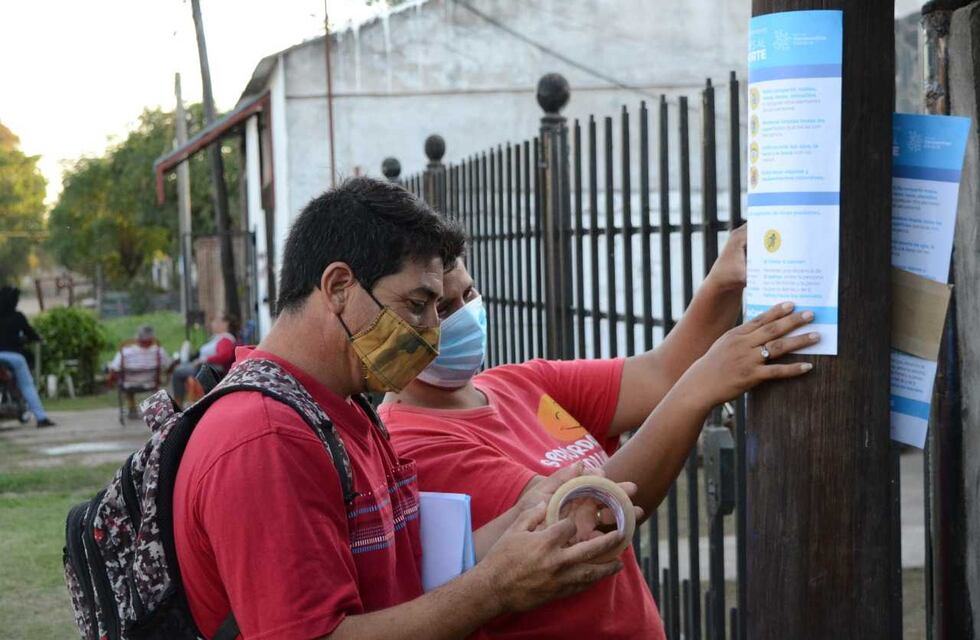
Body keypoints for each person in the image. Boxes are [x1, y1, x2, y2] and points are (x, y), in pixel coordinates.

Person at [173, 177, 634, 640]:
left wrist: (527, 513)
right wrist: (495, 589)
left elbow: (410, 572)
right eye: (418, 305)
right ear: (338, 287)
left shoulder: (344, 409)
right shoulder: (266, 437)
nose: (433, 331)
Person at [380, 225, 819, 639]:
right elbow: (587, 521)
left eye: (468, 294)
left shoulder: (515, 382)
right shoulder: (412, 444)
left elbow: (660, 374)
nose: (462, 317)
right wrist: (699, 391)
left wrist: (722, 285)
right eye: (439, 307)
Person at [0, 286, 55, 427]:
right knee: (27, 385)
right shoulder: (18, 317)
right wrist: (36, 339)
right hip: (14, 357)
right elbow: (32, 335)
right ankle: (41, 418)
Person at [108, 325, 174, 420]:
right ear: (152, 337)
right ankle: (155, 411)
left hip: (128, 384)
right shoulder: (159, 350)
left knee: (126, 382)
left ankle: (132, 409)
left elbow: (114, 368)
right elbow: (168, 365)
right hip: (151, 383)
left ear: (137, 338)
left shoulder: (125, 351)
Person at [171, 313, 238, 405]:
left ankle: (178, 404)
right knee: (180, 368)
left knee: (177, 372)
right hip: (204, 368)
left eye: (216, 321)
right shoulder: (219, 338)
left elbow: (224, 356)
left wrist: (205, 359)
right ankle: (180, 403)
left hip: (209, 371)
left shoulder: (226, 339)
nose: (212, 323)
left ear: (225, 324)